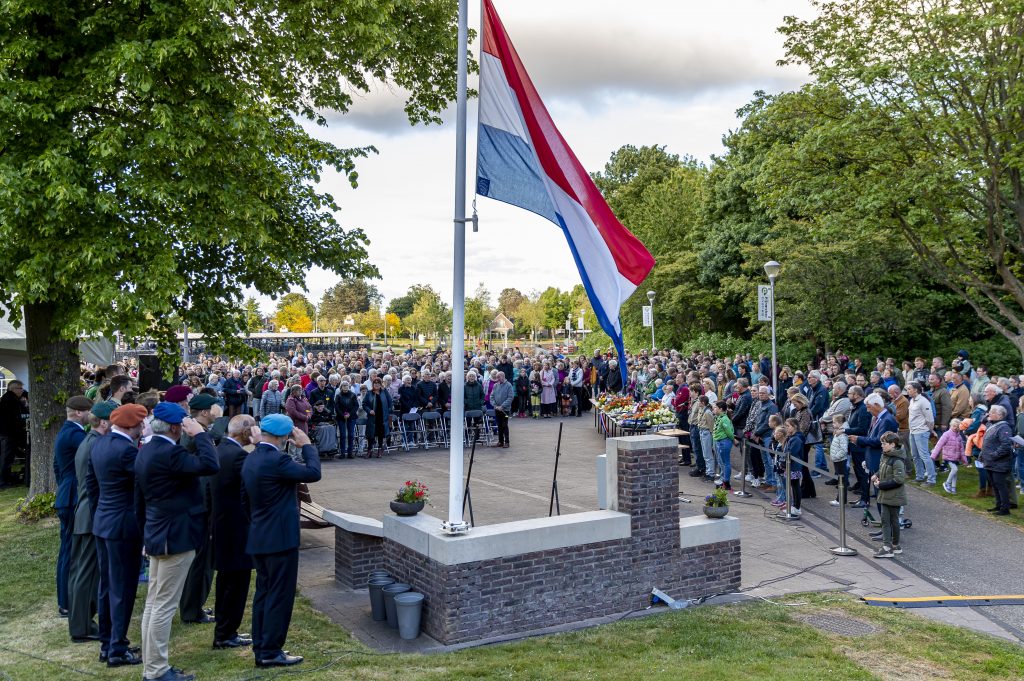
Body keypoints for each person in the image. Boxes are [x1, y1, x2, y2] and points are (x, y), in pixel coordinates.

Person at [135, 402, 219, 681]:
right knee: (163, 606)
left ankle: (152, 665)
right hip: (175, 535)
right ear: (174, 428)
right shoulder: (169, 453)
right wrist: (201, 435)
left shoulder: (149, 450)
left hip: (160, 531)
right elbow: (210, 464)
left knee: (155, 602)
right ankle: (156, 670)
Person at [241, 413, 322, 668]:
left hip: (259, 535)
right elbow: (313, 472)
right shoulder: (278, 460)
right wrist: (307, 445)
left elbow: (245, 501)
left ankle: (262, 646)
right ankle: (271, 650)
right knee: (279, 595)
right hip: (280, 539)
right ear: (285, 437)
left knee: (263, 593)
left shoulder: (251, 458)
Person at [86, 403, 149, 667]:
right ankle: (117, 648)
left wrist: (97, 517)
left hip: (103, 521)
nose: (144, 428)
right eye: (142, 424)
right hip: (122, 525)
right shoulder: (126, 451)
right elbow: (142, 484)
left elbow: (92, 487)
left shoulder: (99, 443)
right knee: (122, 587)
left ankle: (107, 642)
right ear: (132, 426)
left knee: (107, 586)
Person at [67, 401, 114, 642]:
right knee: (85, 574)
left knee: (82, 572)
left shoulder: (90, 440)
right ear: (105, 422)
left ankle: (82, 622)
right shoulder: (96, 444)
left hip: (86, 513)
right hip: (89, 514)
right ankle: (81, 627)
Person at [212, 415, 258, 650]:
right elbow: (258, 478)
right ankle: (226, 633)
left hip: (222, 526)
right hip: (235, 528)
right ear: (245, 431)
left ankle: (224, 630)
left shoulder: (221, 450)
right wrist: (260, 445)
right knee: (235, 585)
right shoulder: (238, 456)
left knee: (226, 583)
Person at [54, 395, 93, 617]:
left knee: (68, 550)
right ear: (79, 412)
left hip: (66, 494)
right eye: (88, 411)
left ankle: (66, 600)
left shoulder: (67, 432)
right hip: (71, 497)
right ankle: (67, 602)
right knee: (70, 551)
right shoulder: (75, 435)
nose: (91, 415)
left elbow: (57, 466)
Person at [872, 432, 907, 558]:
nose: (882, 445)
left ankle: (887, 547)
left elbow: (899, 480)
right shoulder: (886, 456)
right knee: (891, 520)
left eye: (884, 443)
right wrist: (877, 474)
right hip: (887, 495)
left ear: (892, 444)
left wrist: (881, 485)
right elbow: (883, 469)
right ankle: (895, 545)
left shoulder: (897, 460)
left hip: (893, 496)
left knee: (887, 521)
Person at [981, 404, 1015, 516]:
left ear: (999, 415)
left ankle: (1005, 508)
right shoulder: (992, 424)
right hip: (990, 461)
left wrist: (994, 455)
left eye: (992, 412)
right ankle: (998, 504)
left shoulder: (1004, 427)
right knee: (994, 484)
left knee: (1000, 484)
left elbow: (1006, 445)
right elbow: (983, 420)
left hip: (999, 462)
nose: (989, 414)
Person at [906, 382, 936, 485]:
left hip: (921, 431)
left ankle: (931, 479)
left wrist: (929, 430)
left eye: (909, 389)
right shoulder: (911, 401)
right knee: (915, 455)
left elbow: (930, 419)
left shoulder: (924, 401)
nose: (907, 390)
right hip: (913, 431)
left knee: (924, 455)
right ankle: (920, 476)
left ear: (916, 390)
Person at [0, 379, 27, 487]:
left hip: (7, 432)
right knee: (6, 457)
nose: (22, 390)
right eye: (20, 388)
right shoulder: (11, 399)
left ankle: (5, 479)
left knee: (6, 457)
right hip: (8, 433)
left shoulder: (9, 398)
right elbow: (18, 416)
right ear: (13, 389)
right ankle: (3, 481)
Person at [933, 417, 967, 494]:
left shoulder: (959, 437)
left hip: (956, 457)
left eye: (957, 426)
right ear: (950, 425)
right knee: (955, 469)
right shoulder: (946, 434)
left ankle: (953, 487)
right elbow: (939, 445)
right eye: (954, 426)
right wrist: (933, 455)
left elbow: (961, 449)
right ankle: (947, 483)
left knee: (955, 472)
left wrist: (964, 460)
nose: (955, 428)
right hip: (948, 457)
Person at [362, 377, 392, 457]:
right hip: (372, 417)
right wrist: (369, 410)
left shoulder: (384, 392)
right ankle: (370, 450)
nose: (377, 385)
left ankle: (380, 449)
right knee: (371, 435)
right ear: (373, 384)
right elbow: (364, 404)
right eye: (375, 383)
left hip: (382, 417)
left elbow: (390, 402)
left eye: (378, 383)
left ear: (380, 384)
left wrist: (387, 412)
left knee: (380, 434)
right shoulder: (369, 393)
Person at [782, 417, 806, 516]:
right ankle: (794, 505)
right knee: (793, 486)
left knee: (796, 486)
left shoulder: (796, 439)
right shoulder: (791, 438)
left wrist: (784, 462)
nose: (786, 428)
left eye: (788, 426)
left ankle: (797, 507)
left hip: (794, 466)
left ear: (794, 426)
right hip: (790, 466)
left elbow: (792, 453)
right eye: (786, 426)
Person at [828, 413, 850, 507]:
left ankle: (840, 500)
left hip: (840, 460)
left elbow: (844, 449)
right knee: (841, 480)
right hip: (838, 459)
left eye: (834, 423)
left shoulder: (842, 434)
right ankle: (840, 499)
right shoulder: (839, 432)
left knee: (842, 480)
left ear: (839, 423)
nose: (833, 424)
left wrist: (836, 456)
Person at [712, 400, 734, 490]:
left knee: (726, 463)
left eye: (715, 408)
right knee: (721, 463)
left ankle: (726, 481)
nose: (714, 409)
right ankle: (723, 478)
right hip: (719, 441)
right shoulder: (719, 417)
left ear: (720, 409)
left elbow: (729, 433)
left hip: (724, 442)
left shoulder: (724, 419)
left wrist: (733, 440)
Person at [334, 381, 359, 459]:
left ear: (349, 386)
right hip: (341, 417)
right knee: (343, 435)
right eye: (343, 385)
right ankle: (342, 453)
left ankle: (350, 452)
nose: (345, 387)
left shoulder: (353, 395)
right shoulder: (338, 396)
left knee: (351, 435)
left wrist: (349, 414)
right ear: (341, 387)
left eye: (346, 385)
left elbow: (356, 406)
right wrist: (343, 415)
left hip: (351, 417)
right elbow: (337, 407)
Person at [490, 371, 513, 448]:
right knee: (499, 425)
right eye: (497, 377)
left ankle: (507, 442)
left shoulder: (508, 385)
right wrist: (495, 405)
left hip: (505, 410)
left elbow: (510, 397)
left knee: (504, 425)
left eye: (498, 377)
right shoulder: (495, 385)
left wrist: (502, 406)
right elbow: (491, 396)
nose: (497, 379)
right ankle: (500, 441)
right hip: (497, 409)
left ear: (503, 376)